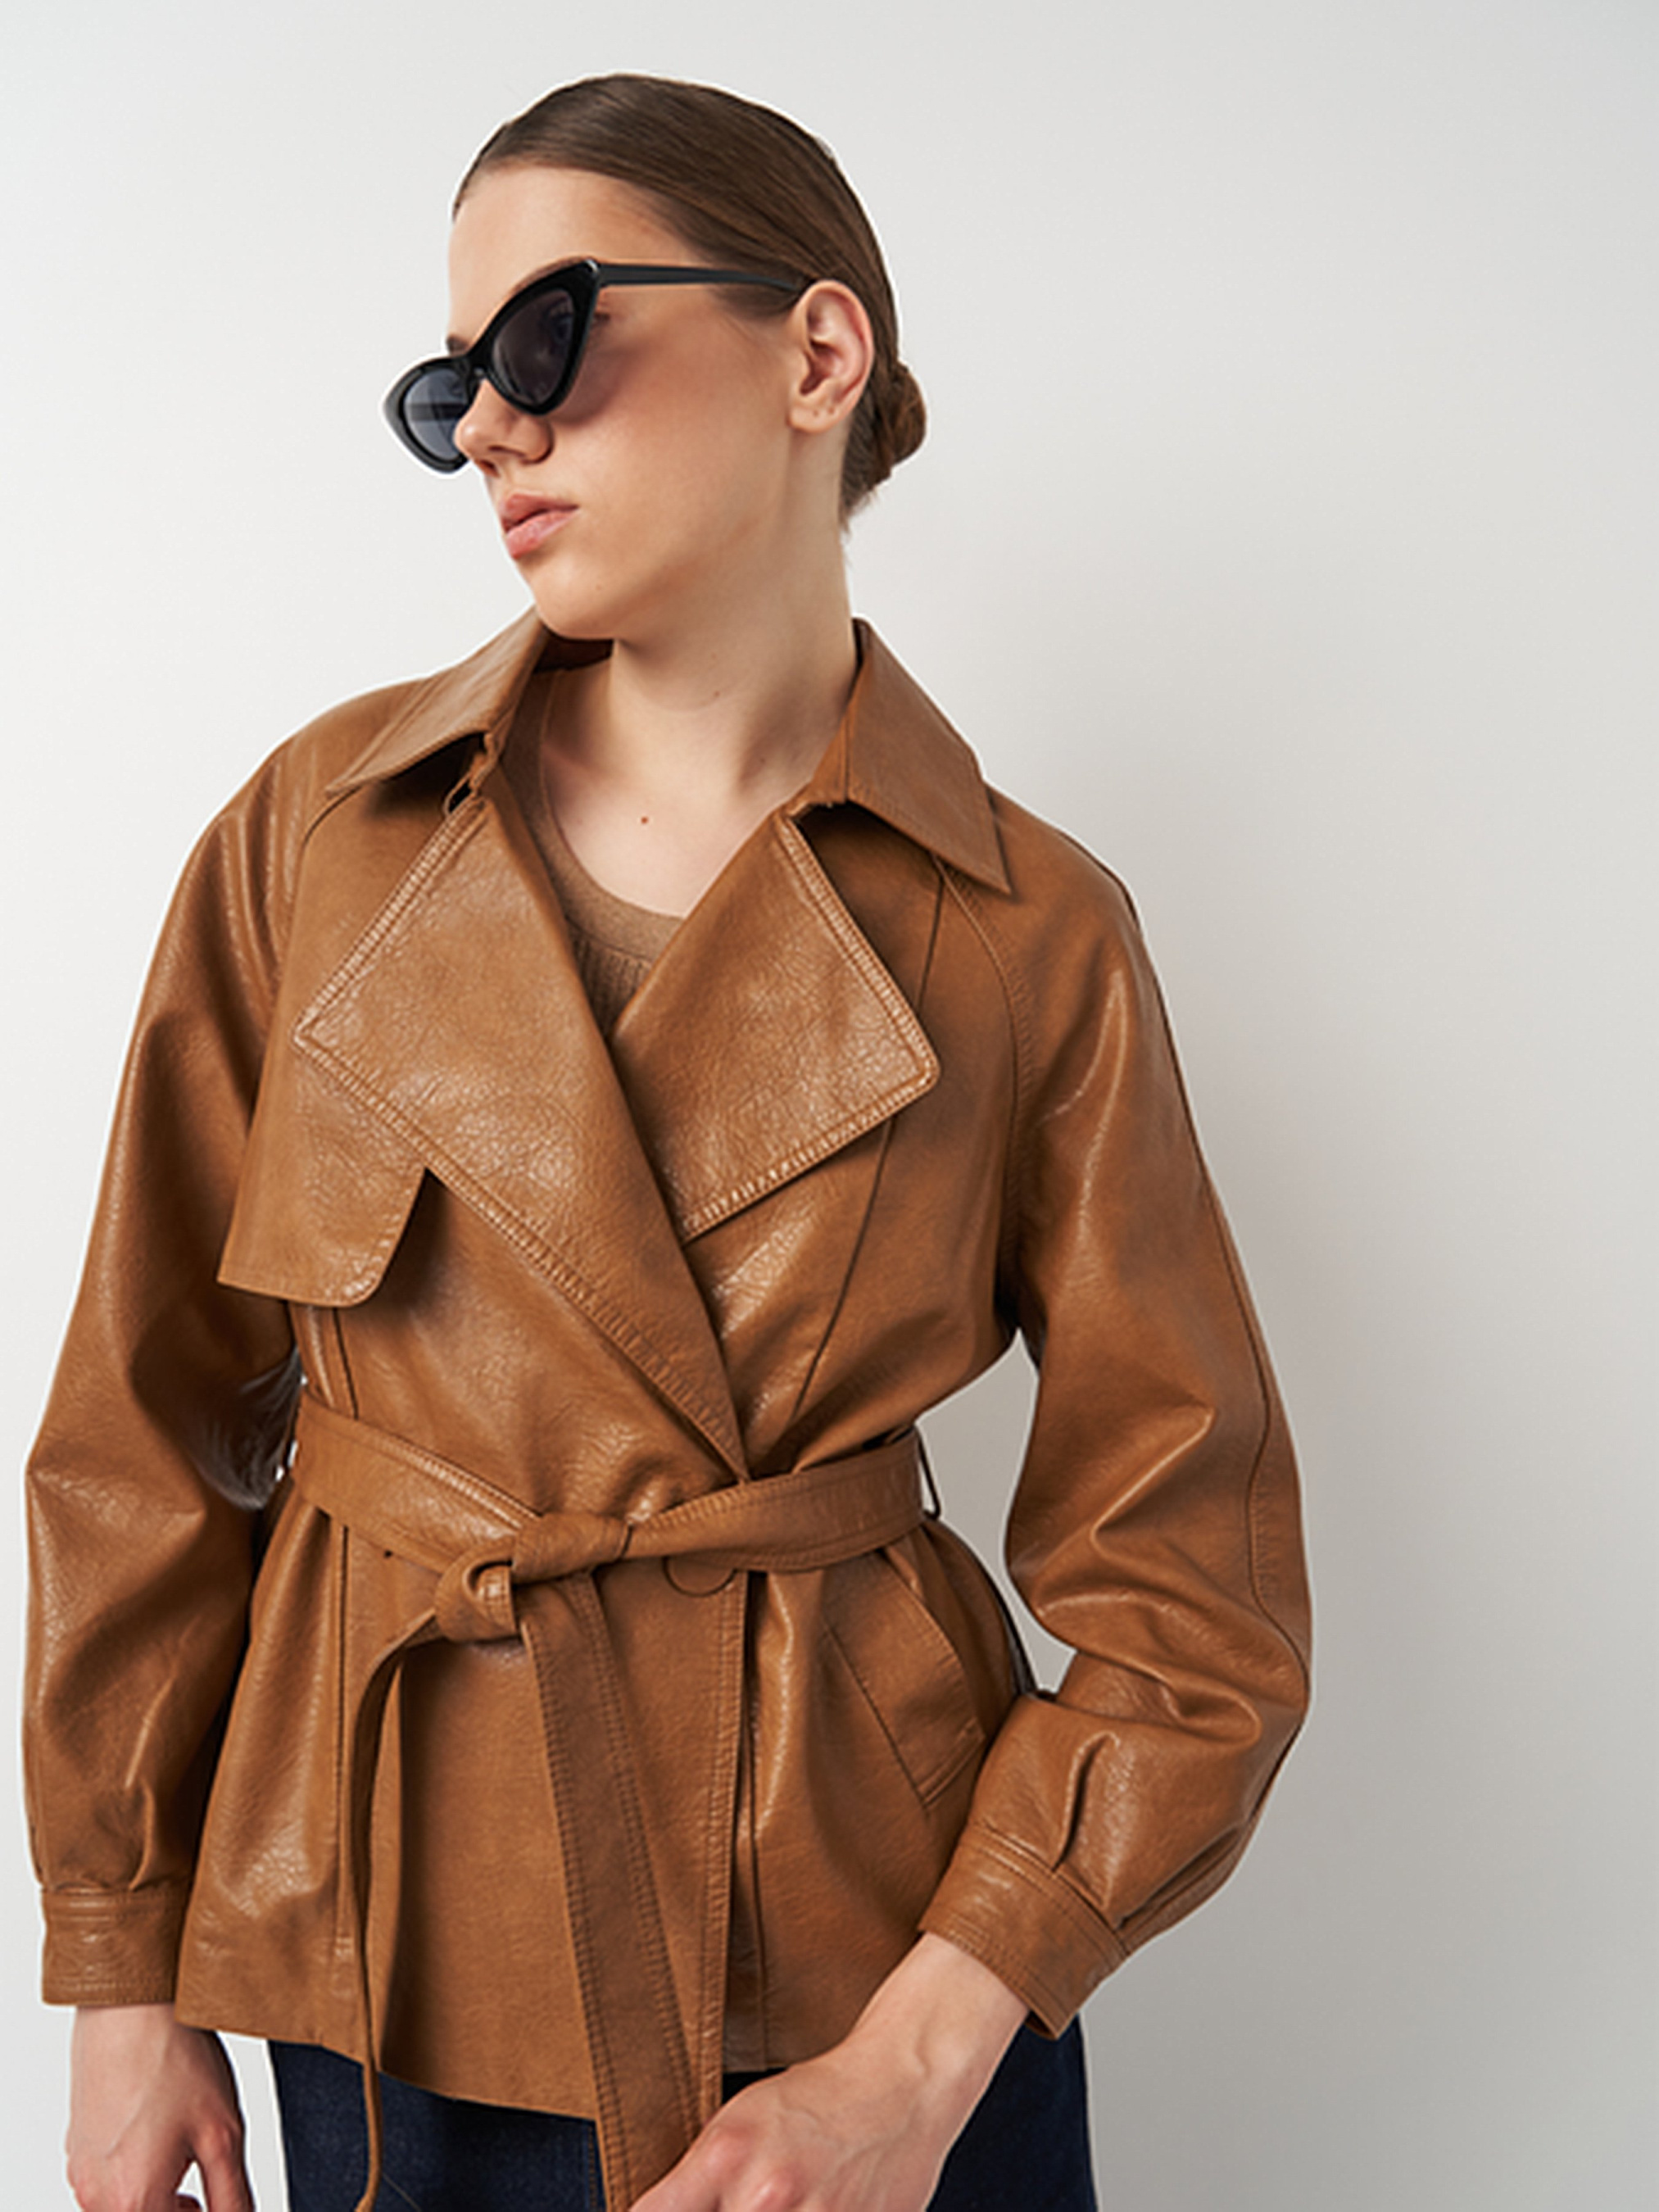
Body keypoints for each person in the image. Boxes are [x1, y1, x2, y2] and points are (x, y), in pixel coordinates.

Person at [25, 73, 1312, 2212]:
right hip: (382, 1953)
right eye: (451, 385)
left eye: (548, 340)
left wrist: (909, 2070)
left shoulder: (1028, 929)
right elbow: (137, 1442)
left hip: (868, 1987)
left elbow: (1197, 1605)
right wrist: (117, 1965)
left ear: (817, 353)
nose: (489, 429)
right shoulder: (319, 843)